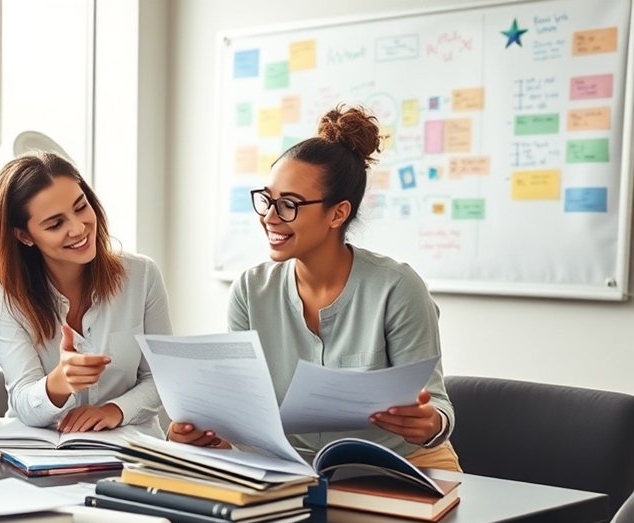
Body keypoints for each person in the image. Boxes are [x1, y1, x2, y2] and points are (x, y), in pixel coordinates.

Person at [169, 105, 460, 470]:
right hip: (292, 470)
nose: (270, 217)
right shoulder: (250, 289)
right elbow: (245, 409)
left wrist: (429, 423)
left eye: (289, 204)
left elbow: (435, 404)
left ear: (337, 213)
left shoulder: (397, 288)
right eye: (267, 199)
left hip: (401, 465)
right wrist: (199, 433)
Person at [0, 152, 169, 436]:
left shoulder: (142, 275)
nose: (79, 228)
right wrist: (59, 382)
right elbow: (22, 401)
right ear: (24, 236)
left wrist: (114, 411)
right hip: (43, 456)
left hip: (131, 452)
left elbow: (162, 378)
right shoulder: (2, 296)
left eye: (81, 207)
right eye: (55, 224)